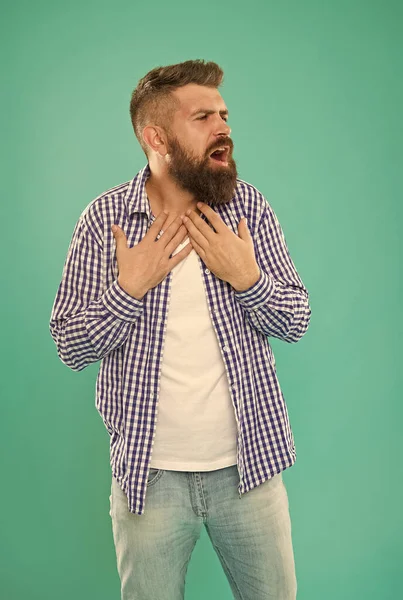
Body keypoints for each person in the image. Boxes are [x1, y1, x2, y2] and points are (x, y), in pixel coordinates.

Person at [49, 59, 311, 600]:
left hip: (251, 469)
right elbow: (69, 345)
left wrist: (248, 278)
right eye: (202, 117)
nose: (224, 128)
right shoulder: (104, 222)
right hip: (149, 479)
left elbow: (296, 319)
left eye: (224, 114)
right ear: (156, 137)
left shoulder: (249, 210)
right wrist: (129, 289)